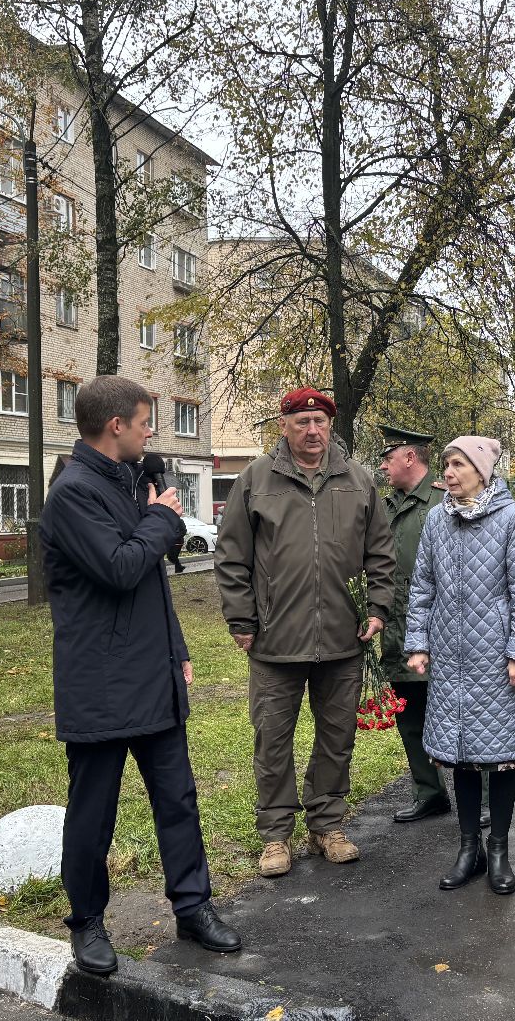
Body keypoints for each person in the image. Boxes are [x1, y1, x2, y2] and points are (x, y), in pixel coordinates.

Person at [40, 375, 240, 977]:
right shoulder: (72, 493)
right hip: (100, 684)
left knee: (177, 799)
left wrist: (177, 648)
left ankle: (193, 907)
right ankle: (87, 921)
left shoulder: (130, 481)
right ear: (115, 426)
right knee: (93, 812)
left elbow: (151, 584)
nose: (151, 433)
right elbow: (121, 567)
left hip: (153, 674)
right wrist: (162, 520)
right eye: (145, 422)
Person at [215, 387, 396, 874]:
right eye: (302, 422)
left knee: (336, 738)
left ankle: (326, 825)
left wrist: (377, 608)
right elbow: (231, 556)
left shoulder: (357, 480)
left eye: (320, 422)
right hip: (275, 640)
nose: (312, 431)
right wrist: (241, 619)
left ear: (330, 425)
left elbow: (380, 553)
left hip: (344, 638)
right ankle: (276, 835)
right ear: (284, 426)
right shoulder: (256, 479)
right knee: (273, 741)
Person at [405, 436, 515, 895]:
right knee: (460, 756)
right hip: (451, 659)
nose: (448, 472)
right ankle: (470, 850)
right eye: (446, 464)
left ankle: (498, 850)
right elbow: (423, 585)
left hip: (498, 662)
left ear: (482, 472)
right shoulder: (436, 520)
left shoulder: (512, 519)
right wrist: (418, 643)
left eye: (458, 465)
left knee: (501, 758)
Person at [377, 423, 451, 824]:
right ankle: (429, 792)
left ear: (409, 456)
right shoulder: (385, 507)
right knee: (409, 716)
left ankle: (485, 797)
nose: (383, 466)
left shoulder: (445, 500)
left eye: (388, 457)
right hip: (396, 629)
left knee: (458, 712)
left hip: (440, 631)